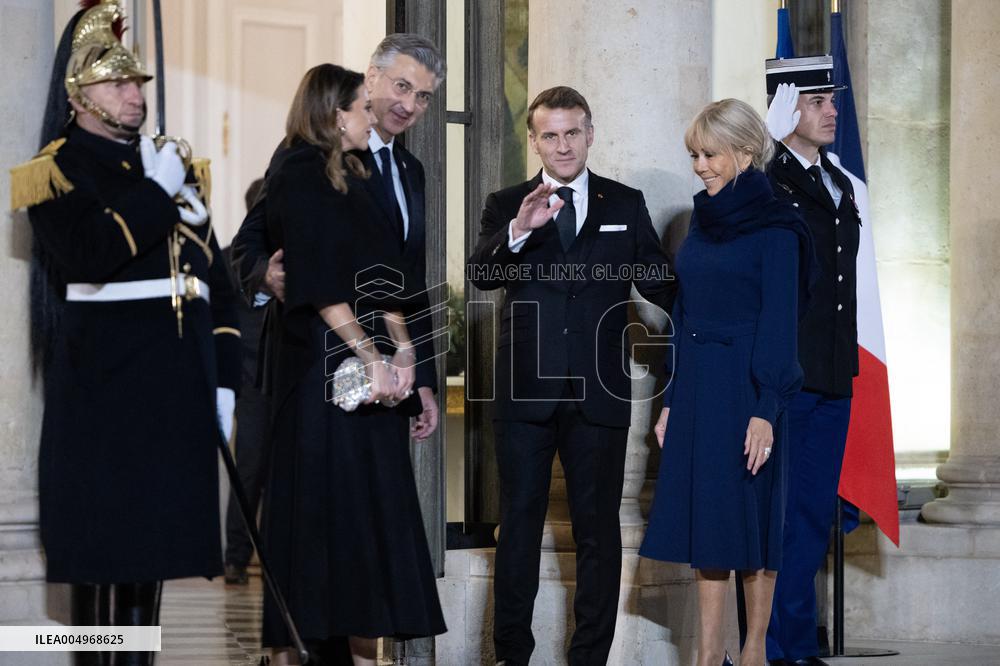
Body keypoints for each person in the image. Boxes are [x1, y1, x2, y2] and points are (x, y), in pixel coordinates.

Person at [9, 2, 240, 664]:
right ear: (80, 94)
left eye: (138, 83)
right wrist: (155, 192)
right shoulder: (56, 169)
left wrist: (223, 382)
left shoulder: (174, 168)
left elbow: (215, 286)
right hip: (105, 395)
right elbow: (88, 256)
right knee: (99, 560)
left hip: (175, 393)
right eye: (117, 83)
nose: (134, 94)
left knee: (153, 558)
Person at [466, 86, 674, 666]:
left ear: (590, 132)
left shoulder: (624, 203)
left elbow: (660, 285)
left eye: (572, 132)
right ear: (533, 140)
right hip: (524, 395)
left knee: (598, 536)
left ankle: (590, 659)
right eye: (549, 135)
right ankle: (512, 656)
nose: (562, 145)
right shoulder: (506, 200)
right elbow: (481, 274)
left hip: (600, 394)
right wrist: (518, 229)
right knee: (519, 531)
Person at [259, 63, 446, 666]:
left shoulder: (363, 172)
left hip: (376, 379)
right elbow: (318, 280)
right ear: (337, 116)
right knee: (319, 527)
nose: (376, 117)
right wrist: (371, 356)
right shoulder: (297, 170)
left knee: (370, 526)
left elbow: (388, 276)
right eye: (366, 107)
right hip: (321, 374)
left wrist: (407, 354)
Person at [639, 99, 814, 666]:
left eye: (709, 154)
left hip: (750, 387)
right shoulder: (701, 221)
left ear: (744, 153)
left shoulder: (780, 227)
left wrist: (767, 407)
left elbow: (781, 324)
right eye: (693, 154)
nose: (699, 166)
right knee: (708, 521)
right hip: (697, 387)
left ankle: (756, 651)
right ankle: (709, 656)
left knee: (754, 517)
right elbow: (684, 313)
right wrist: (671, 398)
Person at [231, 33, 447, 441]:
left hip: (389, 376)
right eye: (402, 87)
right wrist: (269, 274)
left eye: (423, 96)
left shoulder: (411, 170)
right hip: (318, 356)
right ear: (371, 77)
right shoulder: (311, 154)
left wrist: (423, 381)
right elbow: (250, 240)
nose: (410, 106)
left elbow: (409, 279)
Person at [762, 56, 861, 666]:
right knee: (784, 514)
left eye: (833, 99)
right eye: (817, 99)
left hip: (833, 372)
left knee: (813, 512)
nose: (832, 110)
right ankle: (776, 648)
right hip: (789, 376)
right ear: (785, 109)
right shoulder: (769, 185)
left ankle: (797, 644)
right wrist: (765, 150)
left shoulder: (839, 182)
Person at [221, 178, 269, 586]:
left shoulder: (293, 258)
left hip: (284, 378)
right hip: (251, 382)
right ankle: (236, 556)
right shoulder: (228, 259)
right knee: (249, 470)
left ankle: (270, 558)